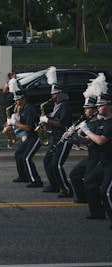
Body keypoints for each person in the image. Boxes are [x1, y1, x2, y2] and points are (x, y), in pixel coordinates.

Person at [79, 92, 112, 230]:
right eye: (97, 105)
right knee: (89, 182)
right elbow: (91, 142)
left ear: (110, 106)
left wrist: (86, 130)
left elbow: (100, 140)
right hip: (104, 162)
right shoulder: (102, 122)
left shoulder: (111, 123)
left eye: (101, 105)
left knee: (106, 192)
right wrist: (74, 139)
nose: (98, 107)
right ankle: (98, 213)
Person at [40, 83, 73, 198]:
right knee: (47, 161)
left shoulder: (65, 106)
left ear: (59, 94)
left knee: (56, 164)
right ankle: (54, 185)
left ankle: (66, 189)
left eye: (54, 94)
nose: (52, 96)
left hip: (63, 138)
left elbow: (62, 123)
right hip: (55, 138)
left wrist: (47, 120)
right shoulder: (57, 106)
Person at [68, 95, 100, 204]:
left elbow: (91, 142)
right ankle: (83, 198)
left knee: (89, 181)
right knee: (74, 175)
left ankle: (97, 204)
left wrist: (80, 136)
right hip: (91, 156)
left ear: (95, 109)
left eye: (88, 108)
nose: (85, 110)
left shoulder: (99, 123)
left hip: (99, 157)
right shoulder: (89, 122)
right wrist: (72, 138)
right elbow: (84, 141)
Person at [7, 90, 43, 187]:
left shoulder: (30, 109)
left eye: (17, 99)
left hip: (36, 136)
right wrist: (12, 127)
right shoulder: (22, 109)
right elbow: (21, 124)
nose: (16, 102)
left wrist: (14, 123)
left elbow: (28, 127)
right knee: (18, 154)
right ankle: (23, 176)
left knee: (26, 158)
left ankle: (36, 181)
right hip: (30, 136)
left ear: (23, 99)